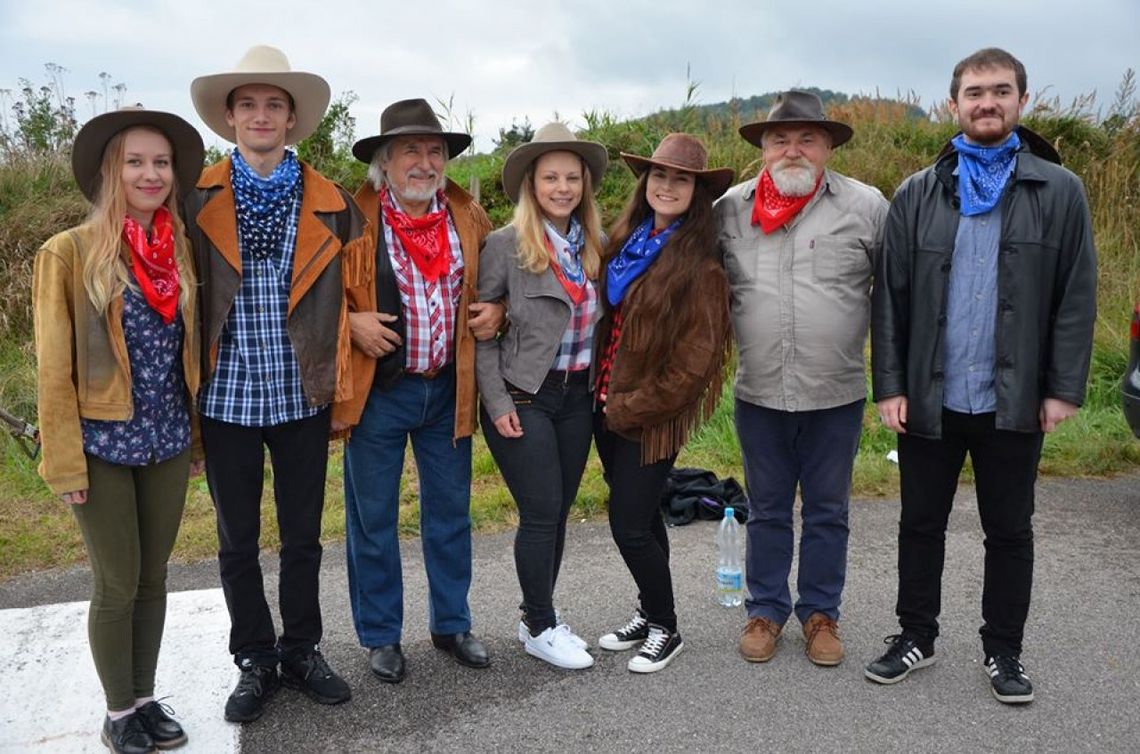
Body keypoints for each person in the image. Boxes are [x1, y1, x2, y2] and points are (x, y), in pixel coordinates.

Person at [866, 48, 1097, 704]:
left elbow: (1077, 296)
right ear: (954, 105)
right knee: (919, 523)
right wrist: (890, 384)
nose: (987, 101)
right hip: (931, 395)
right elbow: (892, 298)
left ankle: (1004, 650)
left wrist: (1062, 388)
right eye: (974, 92)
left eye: (1000, 90)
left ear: (1022, 101)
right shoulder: (918, 191)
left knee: (1009, 528)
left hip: (1013, 396)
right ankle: (916, 635)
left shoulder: (1060, 190)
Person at [184, 45, 372, 722]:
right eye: (248, 104)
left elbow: (357, 295)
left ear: (292, 122)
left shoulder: (334, 204)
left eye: (274, 105)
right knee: (237, 540)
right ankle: (254, 657)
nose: (261, 115)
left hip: (303, 393)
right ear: (230, 118)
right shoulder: (194, 196)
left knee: (302, 535)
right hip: (227, 395)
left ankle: (301, 648)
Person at [33, 106, 204, 753]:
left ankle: (144, 696)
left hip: (164, 441)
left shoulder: (179, 250)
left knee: (156, 577)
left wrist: (194, 439)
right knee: (117, 582)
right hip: (101, 446)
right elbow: (53, 369)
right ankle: (118, 712)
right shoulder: (68, 253)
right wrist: (65, 464)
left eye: (160, 162)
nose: (150, 173)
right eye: (135, 161)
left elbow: (185, 355)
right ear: (112, 171)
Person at [715, 91, 888, 667]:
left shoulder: (867, 208)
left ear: (828, 146)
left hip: (834, 393)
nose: (793, 149)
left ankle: (820, 614)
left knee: (827, 511)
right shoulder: (729, 211)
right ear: (763, 149)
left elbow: (896, 299)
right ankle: (765, 611)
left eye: (806, 138)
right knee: (765, 509)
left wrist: (897, 381)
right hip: (759, 391)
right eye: (779, 139)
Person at [340, 99, 502, 683]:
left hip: (448, 391)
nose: (425, 162)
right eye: (410, 150)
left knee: (450, 514)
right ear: (384, 161)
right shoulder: (350, 218)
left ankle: (452, 624)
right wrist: (348, 324)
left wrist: (498, 311)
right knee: (374, 518)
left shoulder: (469, 216)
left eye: (434, 151)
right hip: (378, 392)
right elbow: (310, 295)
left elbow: (499, 284)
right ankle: (382, 635)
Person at [595, 133, 734, 673]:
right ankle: (650, 610)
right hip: (603, 406)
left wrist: (627, 407)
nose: (667, 185)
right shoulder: (624, 241)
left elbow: (692, 370)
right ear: (645, 183)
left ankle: (668, 628)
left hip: (644, 418)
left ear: (697, 193)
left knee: (628, 525)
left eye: (681, 179)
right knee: (645, 516)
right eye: (659, 175)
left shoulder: (701, 268)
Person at [476, 122, 608, 669]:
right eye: (550, 177)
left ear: (584, 185)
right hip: (524, 393)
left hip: (578, 395)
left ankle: (540, 616)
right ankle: (540, 623)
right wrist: (498, 403)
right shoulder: (505, 246)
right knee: (540, 510)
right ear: (532, 184)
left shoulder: (594, 246)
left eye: (571, 177)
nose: (562, 187)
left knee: (559, 513)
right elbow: (481, 334)